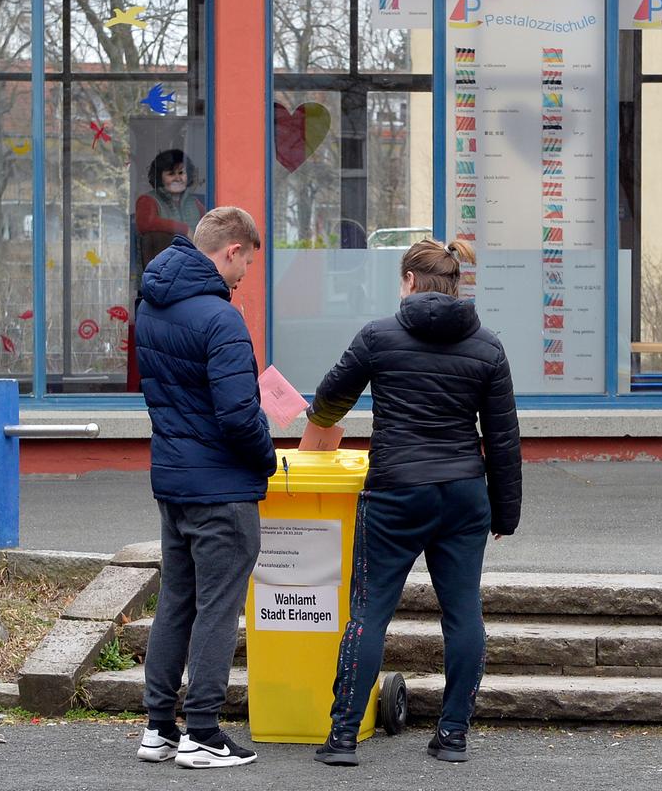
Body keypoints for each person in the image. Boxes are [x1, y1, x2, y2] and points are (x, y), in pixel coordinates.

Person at [308, 238, 521, 768]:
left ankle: (341, 739)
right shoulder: (487, 346)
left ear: (408, 281)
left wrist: (319, 423)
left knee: (369, 612)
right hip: (463, 497)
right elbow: (502, 439)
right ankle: (452, 735)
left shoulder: (379, 336)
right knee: (463, 614)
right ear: (455, 285)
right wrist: (506, 512)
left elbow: (333, 395)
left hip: (395, 493)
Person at [134, 206, 276, 769]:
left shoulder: (151, 307)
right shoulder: (221, 320)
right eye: (246, 265)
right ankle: (202, 733)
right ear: (232, 250)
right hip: (222, 488)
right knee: (218, 608)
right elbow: (239, 415)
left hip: (173, 480)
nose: (244, 279)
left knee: (177, 601)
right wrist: (266, 460)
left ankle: (158, 728)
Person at [129, 149, 207, 392]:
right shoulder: (148, 201)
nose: (177, 177)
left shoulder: (195, 204)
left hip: (190, 288)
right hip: (155, 287)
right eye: (170, 173)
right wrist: (183, 228)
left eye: (181, 172)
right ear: (159, 176)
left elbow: (209, 231)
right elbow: (146, 224)